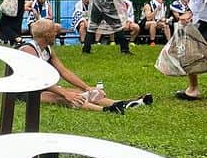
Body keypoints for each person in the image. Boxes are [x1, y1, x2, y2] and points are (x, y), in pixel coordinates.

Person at [19, 20, 152, 113]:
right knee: (63, 98)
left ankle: (124, 103)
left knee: (81, 93)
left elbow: (64, 71)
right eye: (54, 32)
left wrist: (88, 88)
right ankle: (106, 110)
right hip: (26, 92)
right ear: (47, 35)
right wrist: (65, 93)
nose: (56, 34)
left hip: (42, 87)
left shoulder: (47, 48)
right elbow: (38, 80)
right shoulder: (28, 50)